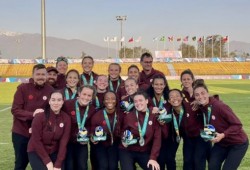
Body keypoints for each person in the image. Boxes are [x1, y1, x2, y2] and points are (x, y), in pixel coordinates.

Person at [193, 79, 248, 170]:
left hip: (237, 143)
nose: (200, 97)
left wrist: (223, 135)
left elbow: (237, 125)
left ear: (207, 93)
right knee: (212, 166)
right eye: (197, 95)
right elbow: (208, 122)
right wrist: (210, 136)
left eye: (203, 93)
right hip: (222, 143)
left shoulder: (219, 106)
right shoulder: (202, 107)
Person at [11, 64, 54, 170]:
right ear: (32, 75)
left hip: (40, 135)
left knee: (42, 164)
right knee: (20, 163)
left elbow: (51, 112)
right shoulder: (22, 88)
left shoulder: (50, 90)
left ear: (46, 76)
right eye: (38, 74)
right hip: (21, 133)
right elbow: (15, 110)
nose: (40, 76)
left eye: (43, 74)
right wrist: (32, 114)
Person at [27, 91, 71, 170]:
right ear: (49, 101)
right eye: (53, 100)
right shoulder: (39, 117)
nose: (56, 103)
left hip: (54, 151)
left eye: (59, 100)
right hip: (36, 150)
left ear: (63, 101)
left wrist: (58, 163)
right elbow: (36, 140)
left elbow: (63, 142)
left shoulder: (66, 118)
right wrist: (47, 161)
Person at [119, 91, 161, 170]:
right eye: (135, 101)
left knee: (154, 168)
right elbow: (122, 132)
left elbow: (157, 138)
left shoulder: (154, 115)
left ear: (146, 101)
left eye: (140, 100)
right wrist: (123, 140)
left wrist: (153, 158)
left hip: (144, 151)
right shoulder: (129, 116)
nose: (138, 103)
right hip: (127, 150)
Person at [180, 69, 211, 170]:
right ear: (181, 81)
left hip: (201, 134)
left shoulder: (199, 93)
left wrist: (199, 102)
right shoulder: (180, 94)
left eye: (188, 79)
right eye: (184, 79)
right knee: (188, 161)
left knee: (199, 161)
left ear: (192, 80)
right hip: (188, 134)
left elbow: (210, 103)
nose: (186, 81)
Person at [62, 85, 96, 170]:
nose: (86, 97)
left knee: (82, 166)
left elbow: (91, 126)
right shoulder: (67, 104)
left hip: (82, 142)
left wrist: (88, 135)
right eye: (84, 94)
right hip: (67, 142)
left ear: (92, 97)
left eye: (89, 95)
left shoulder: (92, 109)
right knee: (69, 166)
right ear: (79, 93)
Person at [146, 75, 170, 170]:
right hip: (152, 135)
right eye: (156, 84)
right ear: (152, 85)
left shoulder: (169, 98)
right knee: (153, 163)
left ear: (164, 85)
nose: (158, 86)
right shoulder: (147, 98)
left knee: (165, 160)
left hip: (166, 135)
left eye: (161, 84)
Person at [90, 91, 120, 170]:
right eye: (107, 99)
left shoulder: (121, 114)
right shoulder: (97, 115)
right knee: (103, 166)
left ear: (116, 100)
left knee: (113, 167)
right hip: (101, 145)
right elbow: (92, 130)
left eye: (113, 99)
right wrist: (92, 137)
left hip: (115, 144)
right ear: (103, 101)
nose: (110, 101)